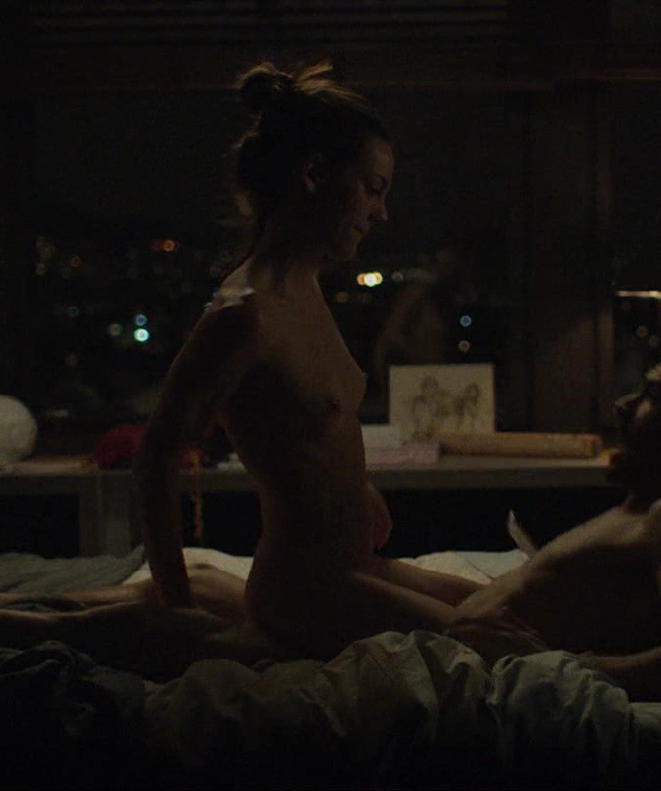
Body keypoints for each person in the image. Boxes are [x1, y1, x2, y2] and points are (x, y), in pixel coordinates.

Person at [0, 342, 661, 699]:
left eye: (650, 398)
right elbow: (526, 597)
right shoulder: (645, 508)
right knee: (205, 583)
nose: (624, 405)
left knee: (164, 624)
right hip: (436, 628)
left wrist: (557, 668)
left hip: (445, 665)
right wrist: (413, 583)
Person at [132, 60, 484, 658]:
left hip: (354, 566)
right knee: (496, 647)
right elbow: (155, 457)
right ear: (315, 175)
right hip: (308, 590)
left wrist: (356, 491)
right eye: (373, 188)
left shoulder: (306, 288)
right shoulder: (245, 314)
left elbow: (308, 425)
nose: (381, 212)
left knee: (511, 608)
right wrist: (177, 602)